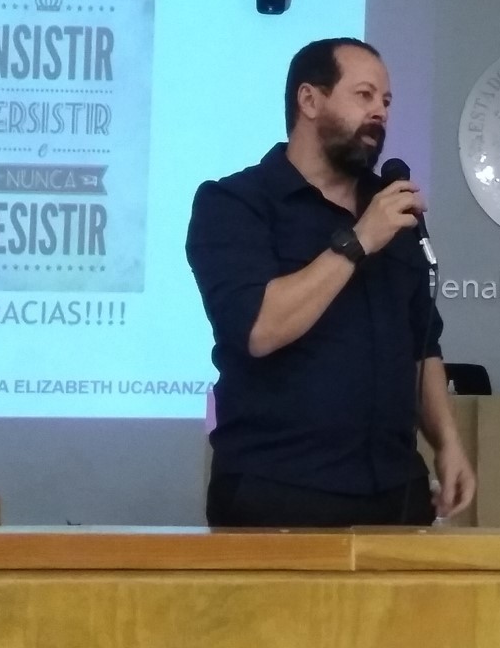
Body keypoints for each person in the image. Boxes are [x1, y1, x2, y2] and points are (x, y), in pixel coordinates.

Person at [186, 37, 475, 527]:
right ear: (309, 100)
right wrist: (359, 240)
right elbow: (259, 328)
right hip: (278, 490)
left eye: (386, 101)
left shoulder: (390, 209)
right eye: (364, 95)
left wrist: (447, 441)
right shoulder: (235, 203)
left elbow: (422, 346)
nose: (380, 112)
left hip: (397, 492)